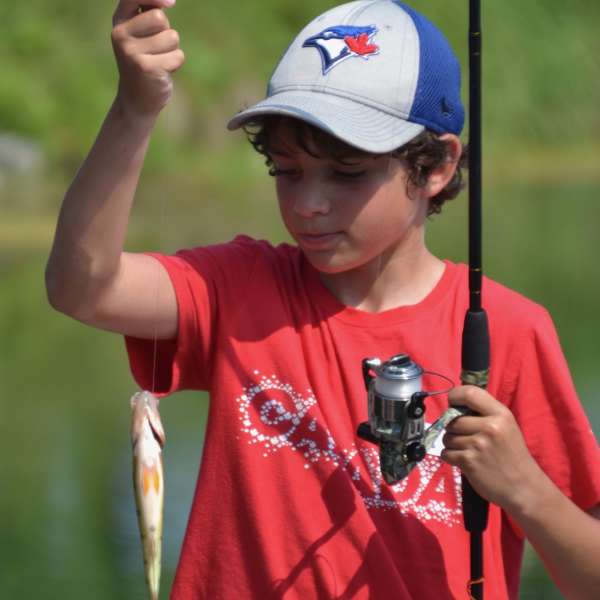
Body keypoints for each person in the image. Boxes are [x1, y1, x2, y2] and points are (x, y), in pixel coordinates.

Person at [45, 0, 600, 598]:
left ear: (437, 165)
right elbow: (84, 285)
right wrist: (135, 107)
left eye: (346, 172)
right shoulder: (241, 287)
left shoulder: (513, 330)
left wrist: (525, 490)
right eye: (286, 170)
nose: (308, 203)